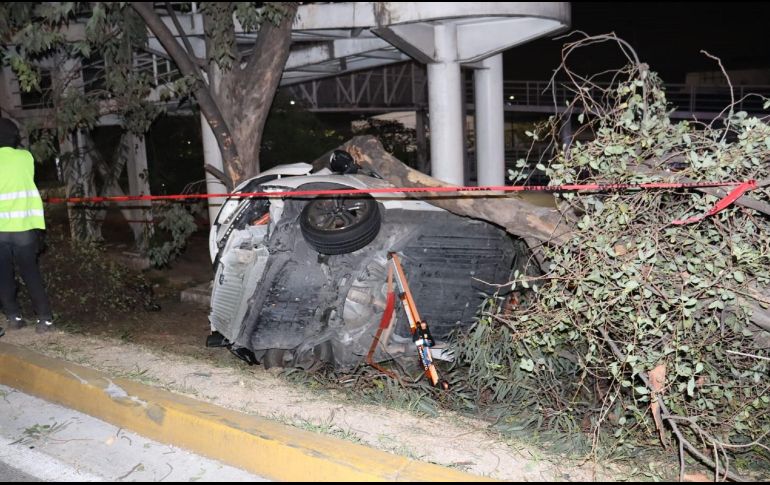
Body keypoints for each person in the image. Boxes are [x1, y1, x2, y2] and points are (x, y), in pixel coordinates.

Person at [0, 118, 54, 334]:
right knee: (31, 273)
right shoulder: (25, 157)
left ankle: (14, 317)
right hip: (23, 228)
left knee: (3, 275)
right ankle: (45, 320)